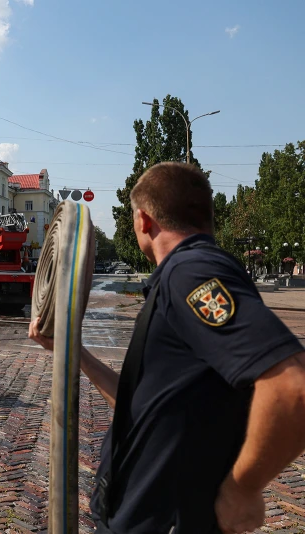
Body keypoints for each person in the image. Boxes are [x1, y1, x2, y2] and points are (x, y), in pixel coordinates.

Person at [29, 162, 305, 533]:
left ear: (144, 220)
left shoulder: (190, 272)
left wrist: (243, 489)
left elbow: (292, 387)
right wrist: (72, 350)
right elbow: (141, 406)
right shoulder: (184, 274)